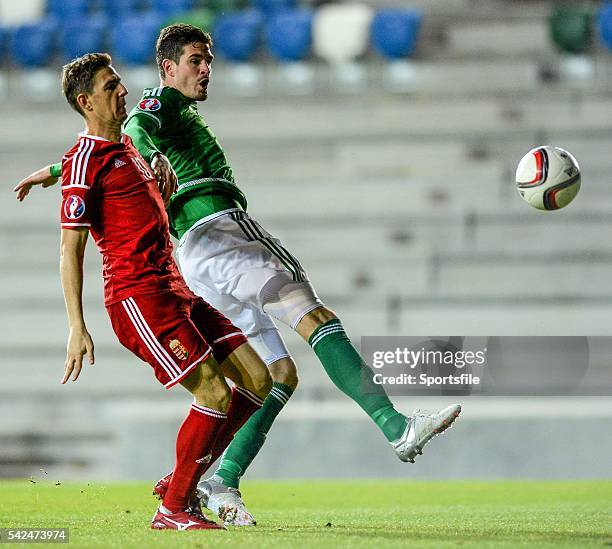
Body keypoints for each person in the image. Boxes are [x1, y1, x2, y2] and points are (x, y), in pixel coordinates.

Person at [15, 24, 461, 527]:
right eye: (196, 60)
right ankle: (395, 426)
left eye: (208, 60)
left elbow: (108, 152)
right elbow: (135, 130)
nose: (206, 69)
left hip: (191, 264)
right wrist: (146, 153)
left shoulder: (121, 142)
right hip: (218, 232)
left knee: (272, 376)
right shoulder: (162, 103)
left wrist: (54, 169)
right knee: (311, 315)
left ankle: (221, 480)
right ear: (168, 68)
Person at [45, 52, 272, 531]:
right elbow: (70, 249)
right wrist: (76, 325)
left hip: (175, 288)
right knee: (212, 388)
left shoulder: (129, 150)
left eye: (120, 82)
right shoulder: (85, 159)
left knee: (257, 380)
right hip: (138, 296)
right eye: (110, 87)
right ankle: (174, 509)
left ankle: (182, 480)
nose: (122, 90)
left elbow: (113, 191)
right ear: (86, 101)